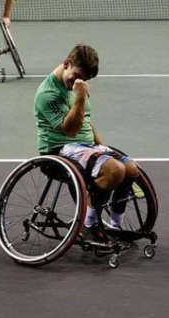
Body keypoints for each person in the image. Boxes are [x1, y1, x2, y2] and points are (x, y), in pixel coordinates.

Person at [33, 44, 142, 235]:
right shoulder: (47, 94)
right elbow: (71, 131)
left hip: (86, 147)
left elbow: (86, 120)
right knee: (115, 170)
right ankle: (89, 223)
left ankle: (115, 226)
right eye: (77, 75)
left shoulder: (77, 85)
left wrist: (100, 145)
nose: (79, 81)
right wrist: (80, 96)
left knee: (131, 168)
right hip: (60, 150)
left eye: (84, 79)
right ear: (67, 64)